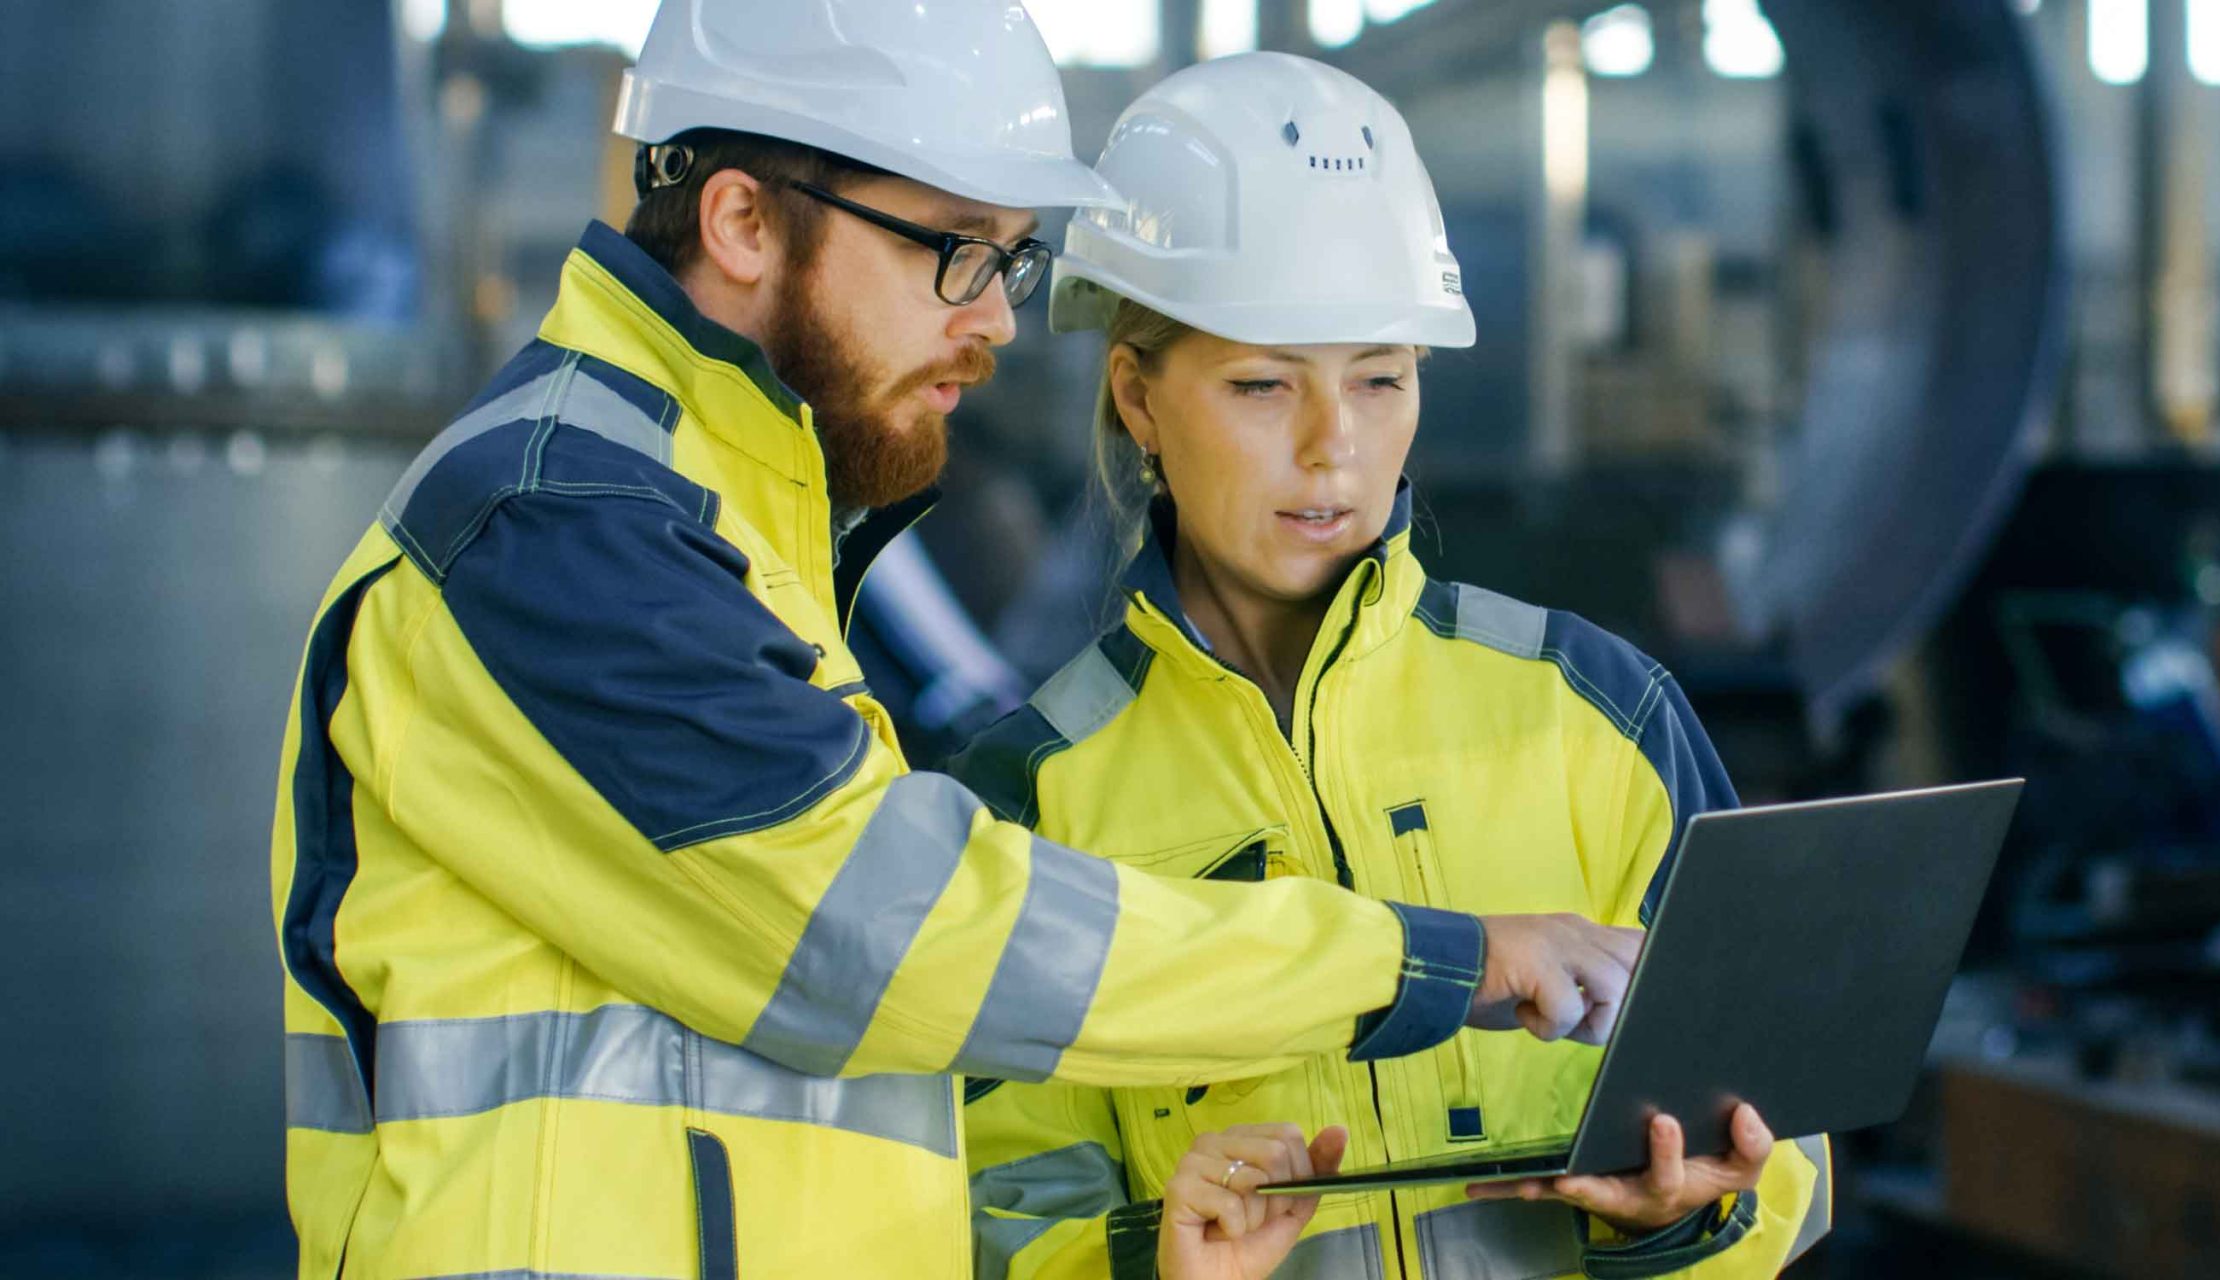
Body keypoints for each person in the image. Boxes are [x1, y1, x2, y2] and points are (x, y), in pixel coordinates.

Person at [267, 5, 1645, 1277]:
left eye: (1009, 258)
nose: (994, 318)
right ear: (744, 220)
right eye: (954, 251)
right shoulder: (557, 520)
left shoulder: (733, 521)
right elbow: (884, 935)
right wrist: (1417, 964)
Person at [953, 54, 1834, 1280]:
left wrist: (1690, 1212)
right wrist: (1143, 1256)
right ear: (1138, 400)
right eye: (1264, 385)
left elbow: (1783, 1141)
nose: (1334, 447)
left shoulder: (1599, 708)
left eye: (1380, 377)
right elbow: (981, 1214)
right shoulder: (1033, 798)